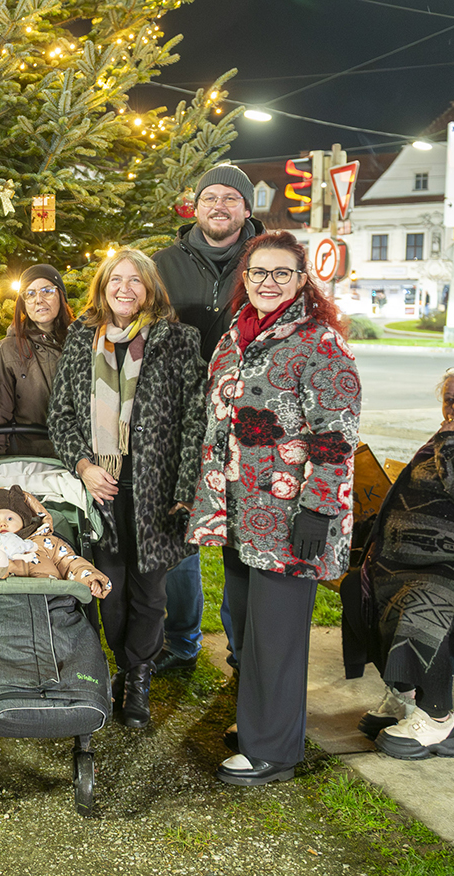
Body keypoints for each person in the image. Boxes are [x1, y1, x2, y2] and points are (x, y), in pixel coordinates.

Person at [187, 231, 360, 784]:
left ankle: (274, 753)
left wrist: (319, 508)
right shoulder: (236, 338)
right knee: (249, 630)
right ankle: (261, 724)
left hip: (291, 519)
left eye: (281, 273)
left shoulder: (320, 344)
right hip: (240, 512)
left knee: (278, 638)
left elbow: (336, 435)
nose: (268, 283)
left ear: (301, 279)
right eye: (258, 273)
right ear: (246, 278)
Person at [47, 249, 204, 731]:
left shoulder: (178, 339)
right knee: (109, 589)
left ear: (150, 289)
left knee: (150, 589)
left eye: (136, 281)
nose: (125, 289)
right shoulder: (81, 338)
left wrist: (184, 490)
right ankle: (123, 659)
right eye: (117, 279)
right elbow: (61, 414)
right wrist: (83, 465)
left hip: (156, 489)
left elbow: (196, 418)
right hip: (102, 487)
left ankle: (137, 678)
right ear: (103, 286)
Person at [153, 165, 266, 676]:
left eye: (230, 198)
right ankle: (181, 642)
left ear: (247, 208)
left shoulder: (268, 261)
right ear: (195, 207)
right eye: (209, 197)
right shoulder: (163, 265)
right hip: (178, 420)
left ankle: (244, 654)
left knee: (243, 541)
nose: (219, 206)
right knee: (178, 532)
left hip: (246, 423)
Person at [342, 369, 454, 759]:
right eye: (449, 400)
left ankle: (438, 716)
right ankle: (404, 692)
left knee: (423, 603)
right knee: (357, 589)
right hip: (405, 562)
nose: (452, 409)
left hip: (444, 569)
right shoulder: (444, 437)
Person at [0, 486, 112, 598]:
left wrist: (90, 578)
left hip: (51, 600)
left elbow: (70, 564)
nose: (3, 523)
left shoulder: (46, 542)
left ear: (25, 520)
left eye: (10, 517)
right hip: (0, 603)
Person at [0, 264, 75, 458]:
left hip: (78, 458)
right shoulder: (7, 350)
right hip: (28, 458)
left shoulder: (82, 343)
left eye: (47, 291)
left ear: (61, 296)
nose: (39, 300)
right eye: (30, 294)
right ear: (23, 303)